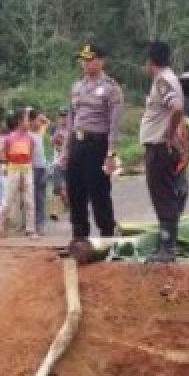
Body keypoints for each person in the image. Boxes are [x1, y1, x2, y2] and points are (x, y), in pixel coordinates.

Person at [63, 42, 124, 249]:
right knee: (75, 192)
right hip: (77, 144)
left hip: (97, 145)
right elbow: (71, 119)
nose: (86, 64)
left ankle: (108, 240)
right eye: (83, 60)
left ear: (101, 61)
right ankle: (80, 240)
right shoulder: (77, 86)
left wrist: (111, 154)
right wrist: (65, 149)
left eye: (90, 60)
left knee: (99, 192)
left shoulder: (111, 88)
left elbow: (115, 124)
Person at [139, 41, 189, 263]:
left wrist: (168, 134)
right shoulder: (170, 78)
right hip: (162, 146)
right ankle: (168, 244)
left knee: (162, 195)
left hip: (160, 146)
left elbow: (176, 107)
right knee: (168, 193)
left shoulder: (162, 81)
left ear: (150, 62)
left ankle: (167, 248)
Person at [0, 111, 36, 240]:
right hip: (13, 168)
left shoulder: (30, 138)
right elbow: (5, 156)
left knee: (29, 200)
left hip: (27, 168)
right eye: (26, 120)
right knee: (7, 201)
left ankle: (31, 230)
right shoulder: (9, 138)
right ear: (19, 122)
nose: (28, 122)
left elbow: (31, 155)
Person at [27, 108, 50, 235]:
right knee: (31, 197)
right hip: (32, 168)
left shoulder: (39, 132)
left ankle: (40, 225)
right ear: (30, 122)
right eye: (36, 120)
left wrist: (40, 116)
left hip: (42, 167)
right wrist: (28, 113)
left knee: (41, 197)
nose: (39, 122)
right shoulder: (27, 134)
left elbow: (47, 122)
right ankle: (30, 225)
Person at [50, 107, 69, 219]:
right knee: (57, 188)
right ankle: (54, 212)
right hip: (58, 162)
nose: (63, 119)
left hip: (70, 163)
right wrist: (58, 144)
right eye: (61, 116)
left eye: (65, 116)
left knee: (70, 188)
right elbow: (53, 144)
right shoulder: (55, 129)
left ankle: (70, 203)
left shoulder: (72, 130)